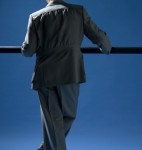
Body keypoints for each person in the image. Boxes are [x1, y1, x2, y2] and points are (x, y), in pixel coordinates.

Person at [21, 0, 112, 149]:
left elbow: (28, 51)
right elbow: (99, 37)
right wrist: (107, 48)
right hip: (71, 72)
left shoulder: (36, 17)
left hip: (46, 74)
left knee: (55, 120)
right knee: (67, 116)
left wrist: (24, 47)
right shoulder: (78, 11)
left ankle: (46, 148)